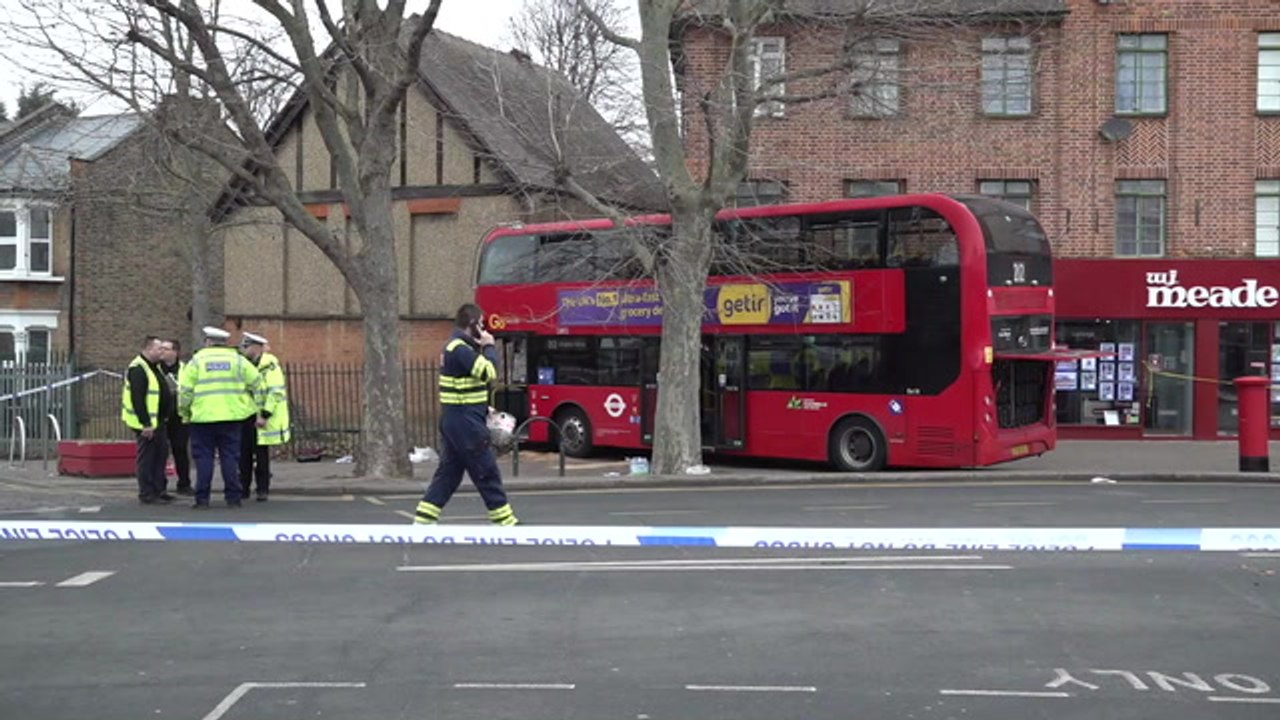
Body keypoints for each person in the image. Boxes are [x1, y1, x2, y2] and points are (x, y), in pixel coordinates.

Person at [413, 304, 519, 526]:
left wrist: (483, 408)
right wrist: (489, 346)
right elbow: (489, 372)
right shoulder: (460, 349)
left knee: (449, 473)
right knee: (486, 470)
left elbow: (462, 388)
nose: (485, 329)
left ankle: (424, 520)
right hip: (466, 424)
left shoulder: (453, 348)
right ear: (473, 325)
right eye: (482, 324)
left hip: (456, 420)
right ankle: (506, 523)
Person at [178, 326, 261, 509]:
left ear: (207, 341)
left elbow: (184, 392)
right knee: (230, 457)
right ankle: (233, 498)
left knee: (204, 458)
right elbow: (258, 384)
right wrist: (254, 407)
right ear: (224, 342)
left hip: (202, 418)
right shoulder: (238, 361)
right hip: (232, 417)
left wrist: (185, 413)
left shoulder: (196, 362)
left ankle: (202, 499)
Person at [121, 336, 174, 505]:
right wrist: (146, 424)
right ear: (149, 349)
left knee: (160, 456)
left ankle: (160, 489)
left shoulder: (154, 367)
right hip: (147, 424)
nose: (162, 352)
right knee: (147, 459)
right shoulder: (138, 368)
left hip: (158, 421)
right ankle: (147, 492)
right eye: (159, 349)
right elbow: (138, 398)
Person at [238, 331, 290, 501]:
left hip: (261, 416)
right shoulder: (244, 364)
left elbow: (275, 393)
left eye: (247, 346)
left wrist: (264, 415)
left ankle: (262, 490)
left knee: (261, 455)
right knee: (243, 454)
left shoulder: (270, 366)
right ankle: (243, 488)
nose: (244, 349)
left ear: (257, 348)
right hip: (245, 415)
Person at [158, 338, 192, 496]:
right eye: (161, 349)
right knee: (160, 452)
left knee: (180, 450)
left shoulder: (186, 369)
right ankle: (160, 485)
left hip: (179, 416)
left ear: (175, 352)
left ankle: (184, 484)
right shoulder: (156, 369)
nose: (161, 351)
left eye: (165, 349)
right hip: (160, 416)